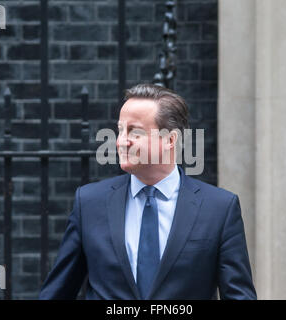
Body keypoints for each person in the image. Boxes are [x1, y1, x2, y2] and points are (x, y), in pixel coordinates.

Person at [39, 83, 257, 300]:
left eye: (135, 131)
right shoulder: (89, 203)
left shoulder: (219, 209)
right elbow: (57, 292)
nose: (121, 141)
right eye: (120, 130)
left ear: (170, 140)